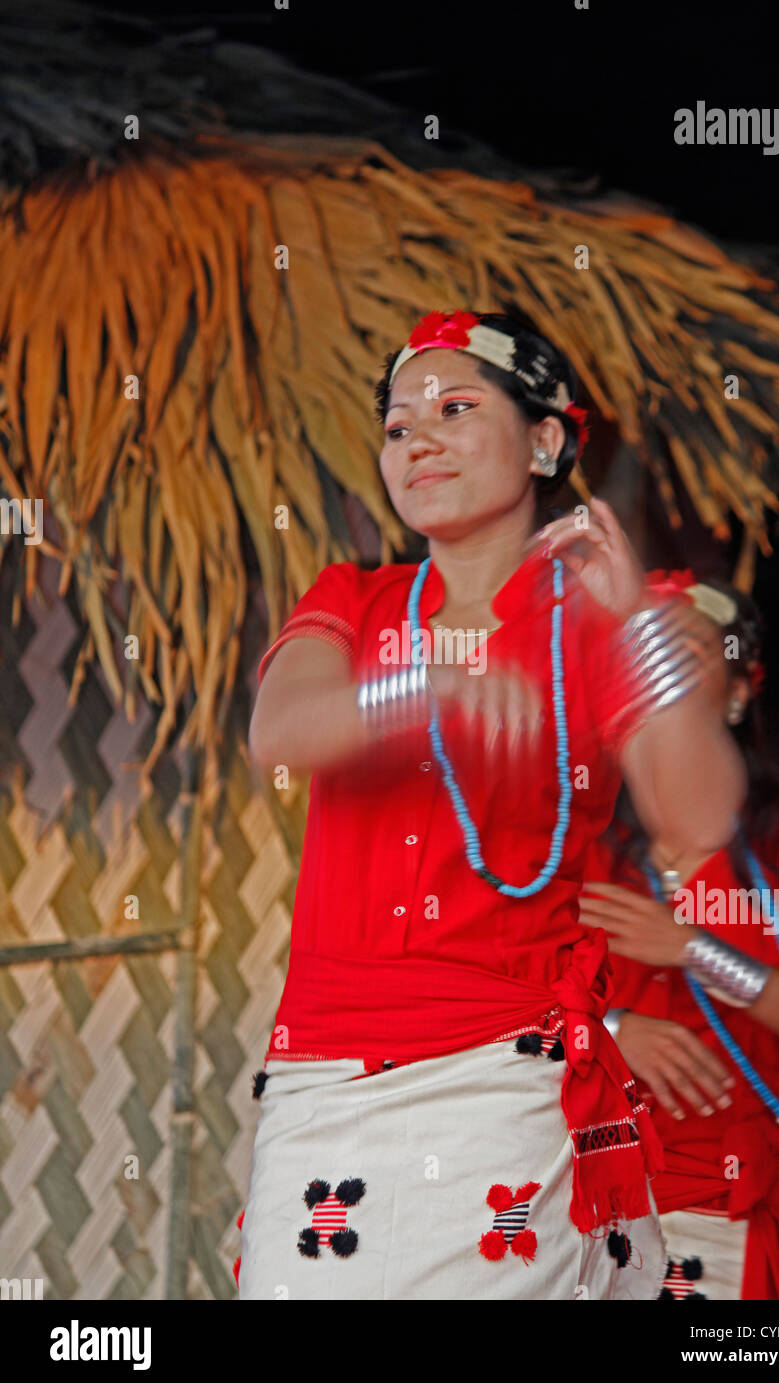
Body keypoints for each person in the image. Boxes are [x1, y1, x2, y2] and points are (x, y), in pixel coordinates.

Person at [238, 308, 746, 1300]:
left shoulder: (597, 622)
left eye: (455, 408)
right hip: (321, 1078)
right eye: (396, 424)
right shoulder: (357, 601)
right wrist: (423, 686)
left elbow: (698, 815)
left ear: (546, 438)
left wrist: (636, 625)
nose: (416, 437)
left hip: (501, 1076)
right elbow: (279, 734)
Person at [579, 573, 779, 1300]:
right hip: (579, 1222)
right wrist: (609, 1028)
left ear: (739, 695)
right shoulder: (575, 856)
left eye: (683, 661)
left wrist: (695, 951)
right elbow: (493, 1014)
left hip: (720, 1229)